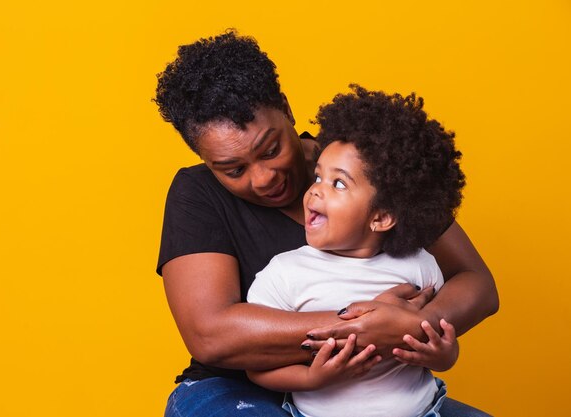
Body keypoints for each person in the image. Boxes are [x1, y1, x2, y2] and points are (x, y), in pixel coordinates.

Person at [154, 30, 498, 417]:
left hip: (370, 392)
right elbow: (211, 335)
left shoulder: (363, 167)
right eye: (233, 169)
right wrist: (360, 326)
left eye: (271, 150)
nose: (263, 178)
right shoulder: (197, 194)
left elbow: (477, 283)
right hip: (238, 387)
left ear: (286, 109)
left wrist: (414, 325)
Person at [246, 86, 464, 417]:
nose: (315, 189)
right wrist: (311, 377)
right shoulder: (283, 274)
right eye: (318, 176)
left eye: (338, 184)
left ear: (381, 217)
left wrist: (443, 354)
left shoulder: (420, 267)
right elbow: (256, 365)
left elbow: (439, 347)